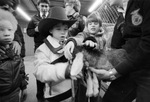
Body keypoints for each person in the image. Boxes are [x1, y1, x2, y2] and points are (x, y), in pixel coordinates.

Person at [90, 0, 150, 102]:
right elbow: (117, 45)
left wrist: (113, 72)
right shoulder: (122, 15)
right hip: (131, 64)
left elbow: (147, 44)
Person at [33, 6, 76, 102]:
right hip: (55, 96)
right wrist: (65, 71)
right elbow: (40, 71)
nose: (63, 32)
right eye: (58, 29)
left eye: (65, 29)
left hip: (72, 92)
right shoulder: (42, 49)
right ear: (50, 30)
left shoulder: (69, 44)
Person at [62, 14, 106, 102]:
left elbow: (104, 53)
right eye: (90, 23)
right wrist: (72, 41)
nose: (92, 25)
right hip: (83, 71)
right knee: (82, 94)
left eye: (95, 23)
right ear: (87, 26)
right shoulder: (83, 34)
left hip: (96, 71)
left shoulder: (103, 39)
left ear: (100, 26)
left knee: (95, 94)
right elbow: (78, 38)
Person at [0, 8, 28, 102]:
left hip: (14, 93)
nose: (7, 34)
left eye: (10, 30)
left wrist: (24, 86)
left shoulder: (16, 50)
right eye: (1, 30)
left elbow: (21, 70)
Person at [26, 0, 50, 101]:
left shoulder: (51, 18)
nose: (44, 8)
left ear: (48, 7)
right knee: (40, 71)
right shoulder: (34, 19)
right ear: (38, 7)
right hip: (39, 48)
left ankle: (50, 93)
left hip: (51, 49)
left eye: (46, 6)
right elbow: (28, 32)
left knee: (50, 72)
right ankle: (40, 95)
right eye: (42, 6)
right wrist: (34, 30)